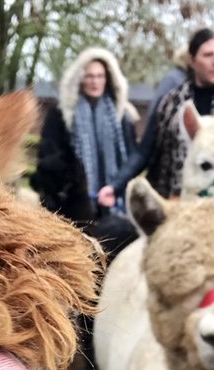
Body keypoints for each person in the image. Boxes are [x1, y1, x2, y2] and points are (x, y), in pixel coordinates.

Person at [97, 28, 214, 205]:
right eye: (208, 55)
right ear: (192, 60)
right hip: (172, 199)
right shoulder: (171, 103)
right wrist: (115, 186)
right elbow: (144, 151)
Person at [30, 46, 139, 261]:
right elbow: (49, 158)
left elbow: (131, 159)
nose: (94, 81)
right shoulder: (61, 115)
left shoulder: (123, 116)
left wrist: (116, 186)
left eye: (100, 76)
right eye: (89, 76)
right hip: (73, 206)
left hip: (113, 204)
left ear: (108, 79)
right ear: (80, 79)